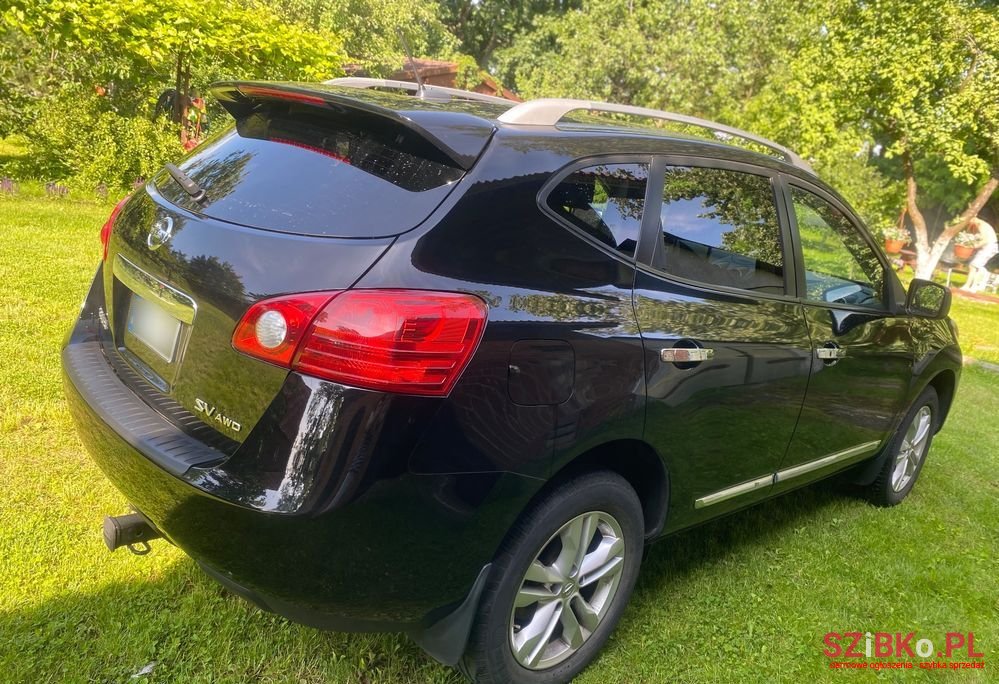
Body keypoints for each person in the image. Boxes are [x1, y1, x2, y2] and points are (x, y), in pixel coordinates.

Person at [961, 216, 998, 293]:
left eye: (969, 222)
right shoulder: (980, 225)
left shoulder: (981, 225)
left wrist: (974, 246)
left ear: (973, 219)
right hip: (988, 247)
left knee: (976, 265)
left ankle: (974, 286)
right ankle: (968, 286)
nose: (969, 224)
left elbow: (985, 240)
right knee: (973, 266)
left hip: (989, 247)